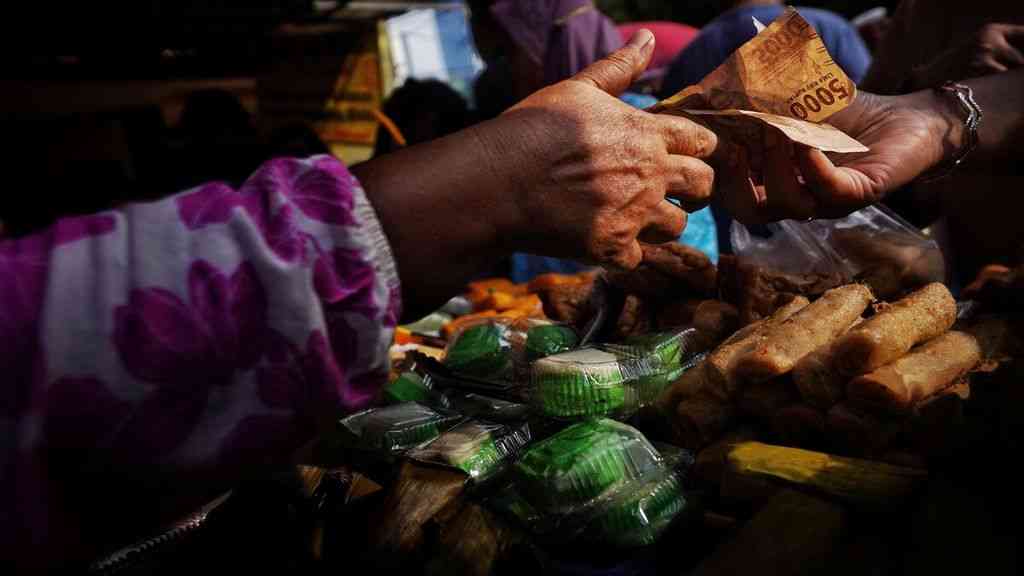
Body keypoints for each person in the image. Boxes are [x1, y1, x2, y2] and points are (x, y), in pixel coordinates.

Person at [474, 0, 719, 280]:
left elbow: (686, 247)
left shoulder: (644, 120)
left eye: (516, 52)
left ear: (555, 48)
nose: (510, 68)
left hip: (651, 299)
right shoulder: (522, 131)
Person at [660, 0, 873, 256]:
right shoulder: (827, 26)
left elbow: (673, 134)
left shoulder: (692, 51)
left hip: (740, 226)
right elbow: (868, 102)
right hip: (845, 217)